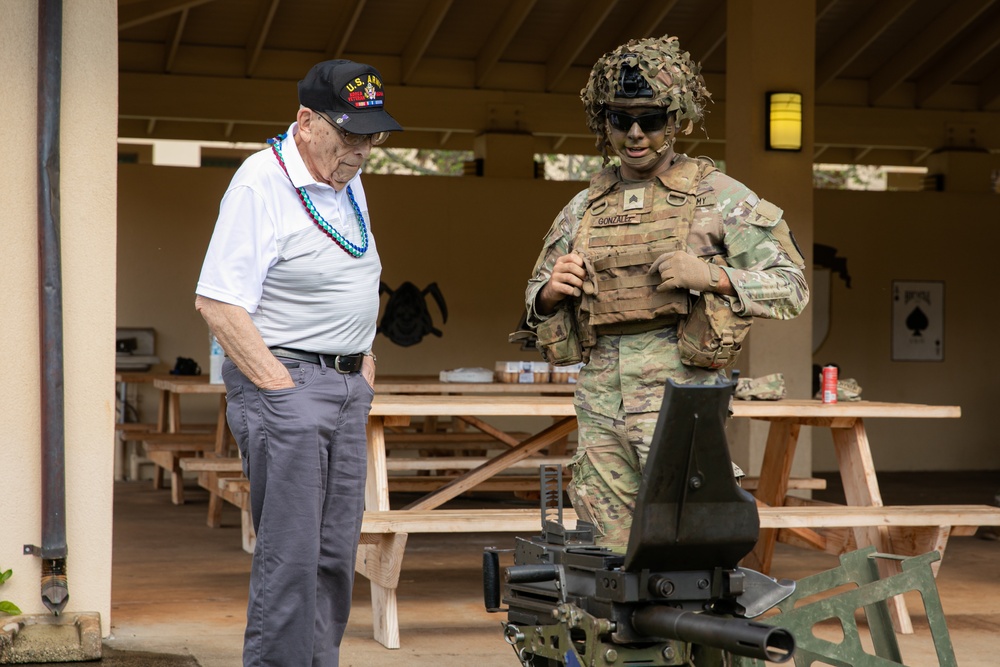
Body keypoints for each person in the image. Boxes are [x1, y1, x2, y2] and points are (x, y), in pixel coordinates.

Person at [524, 35, 809, 551]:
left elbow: (793, 286)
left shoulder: (718, 197)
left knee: (690, 546)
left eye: (651, 120)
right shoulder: (583, 207)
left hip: (681, 397)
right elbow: (533, 297)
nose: (635, 134)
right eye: (620, 119)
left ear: (677, 120)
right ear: (602, 122)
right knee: (606, 554)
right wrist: (549, 292)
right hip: (601, 402)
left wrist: (713, 277)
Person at [194, 59, 401, 667]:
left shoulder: (344, 180)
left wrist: (362, 360)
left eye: (372, 136)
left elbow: (349, 276)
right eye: (350, 135)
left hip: (342, 386)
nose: (363, 149)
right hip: (288, 385)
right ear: (306, 122)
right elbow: (217, 301)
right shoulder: (262, 182)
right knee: (291, 557)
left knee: (335, 554)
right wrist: (279, 386)